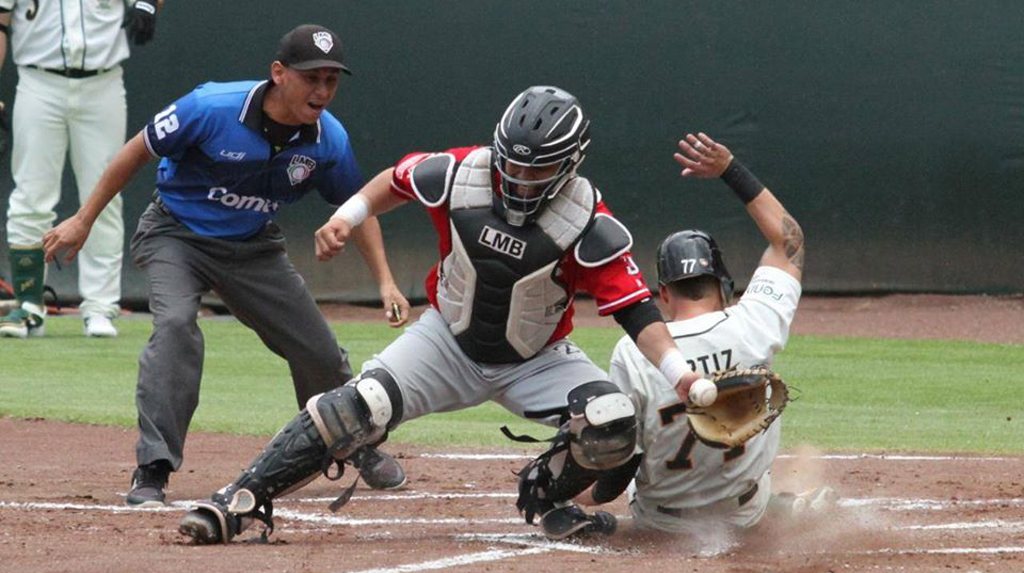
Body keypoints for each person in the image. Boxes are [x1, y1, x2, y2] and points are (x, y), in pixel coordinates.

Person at [175, 85, 713, 545]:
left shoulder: (586, 220)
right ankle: (239, 499)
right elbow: (394, 180)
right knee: (353, 407)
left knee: (613, 423)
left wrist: (679, 374)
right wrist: (348, 215)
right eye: (513, 162)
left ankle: (546, 496)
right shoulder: (462, 174)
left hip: (536, 358)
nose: (521, 177)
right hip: (446, 340)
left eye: (539, 168)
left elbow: (636, 309)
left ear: (570, 163)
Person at [41, 24, 411, 507]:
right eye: (310, 78)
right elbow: (137, 150)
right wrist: (83, 219)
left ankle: (353, 443)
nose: (321, 91)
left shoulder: (328, 140)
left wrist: (386, 282)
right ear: (278, 73)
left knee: (318, 351)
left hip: (254, 247)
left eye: (331, 80)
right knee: (175, 326)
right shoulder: (212, 107)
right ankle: (153, 467)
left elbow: (359, 207)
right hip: (176, 234)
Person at [575, 132, 830, 535]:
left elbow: (623, 459)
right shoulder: (755, 322)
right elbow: (789, 240)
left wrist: (587, 497)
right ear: (723, 285)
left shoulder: (634, 351)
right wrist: (730, 169)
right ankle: (779, 507)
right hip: (745, 512)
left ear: (663, 293)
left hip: (662, 523)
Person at [0, 0, 164, 338]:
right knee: (31, 194)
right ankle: (29, 303)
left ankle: (100, 306)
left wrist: (148, 4)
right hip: (37, 81)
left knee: (104, 195)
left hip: (102, 82)